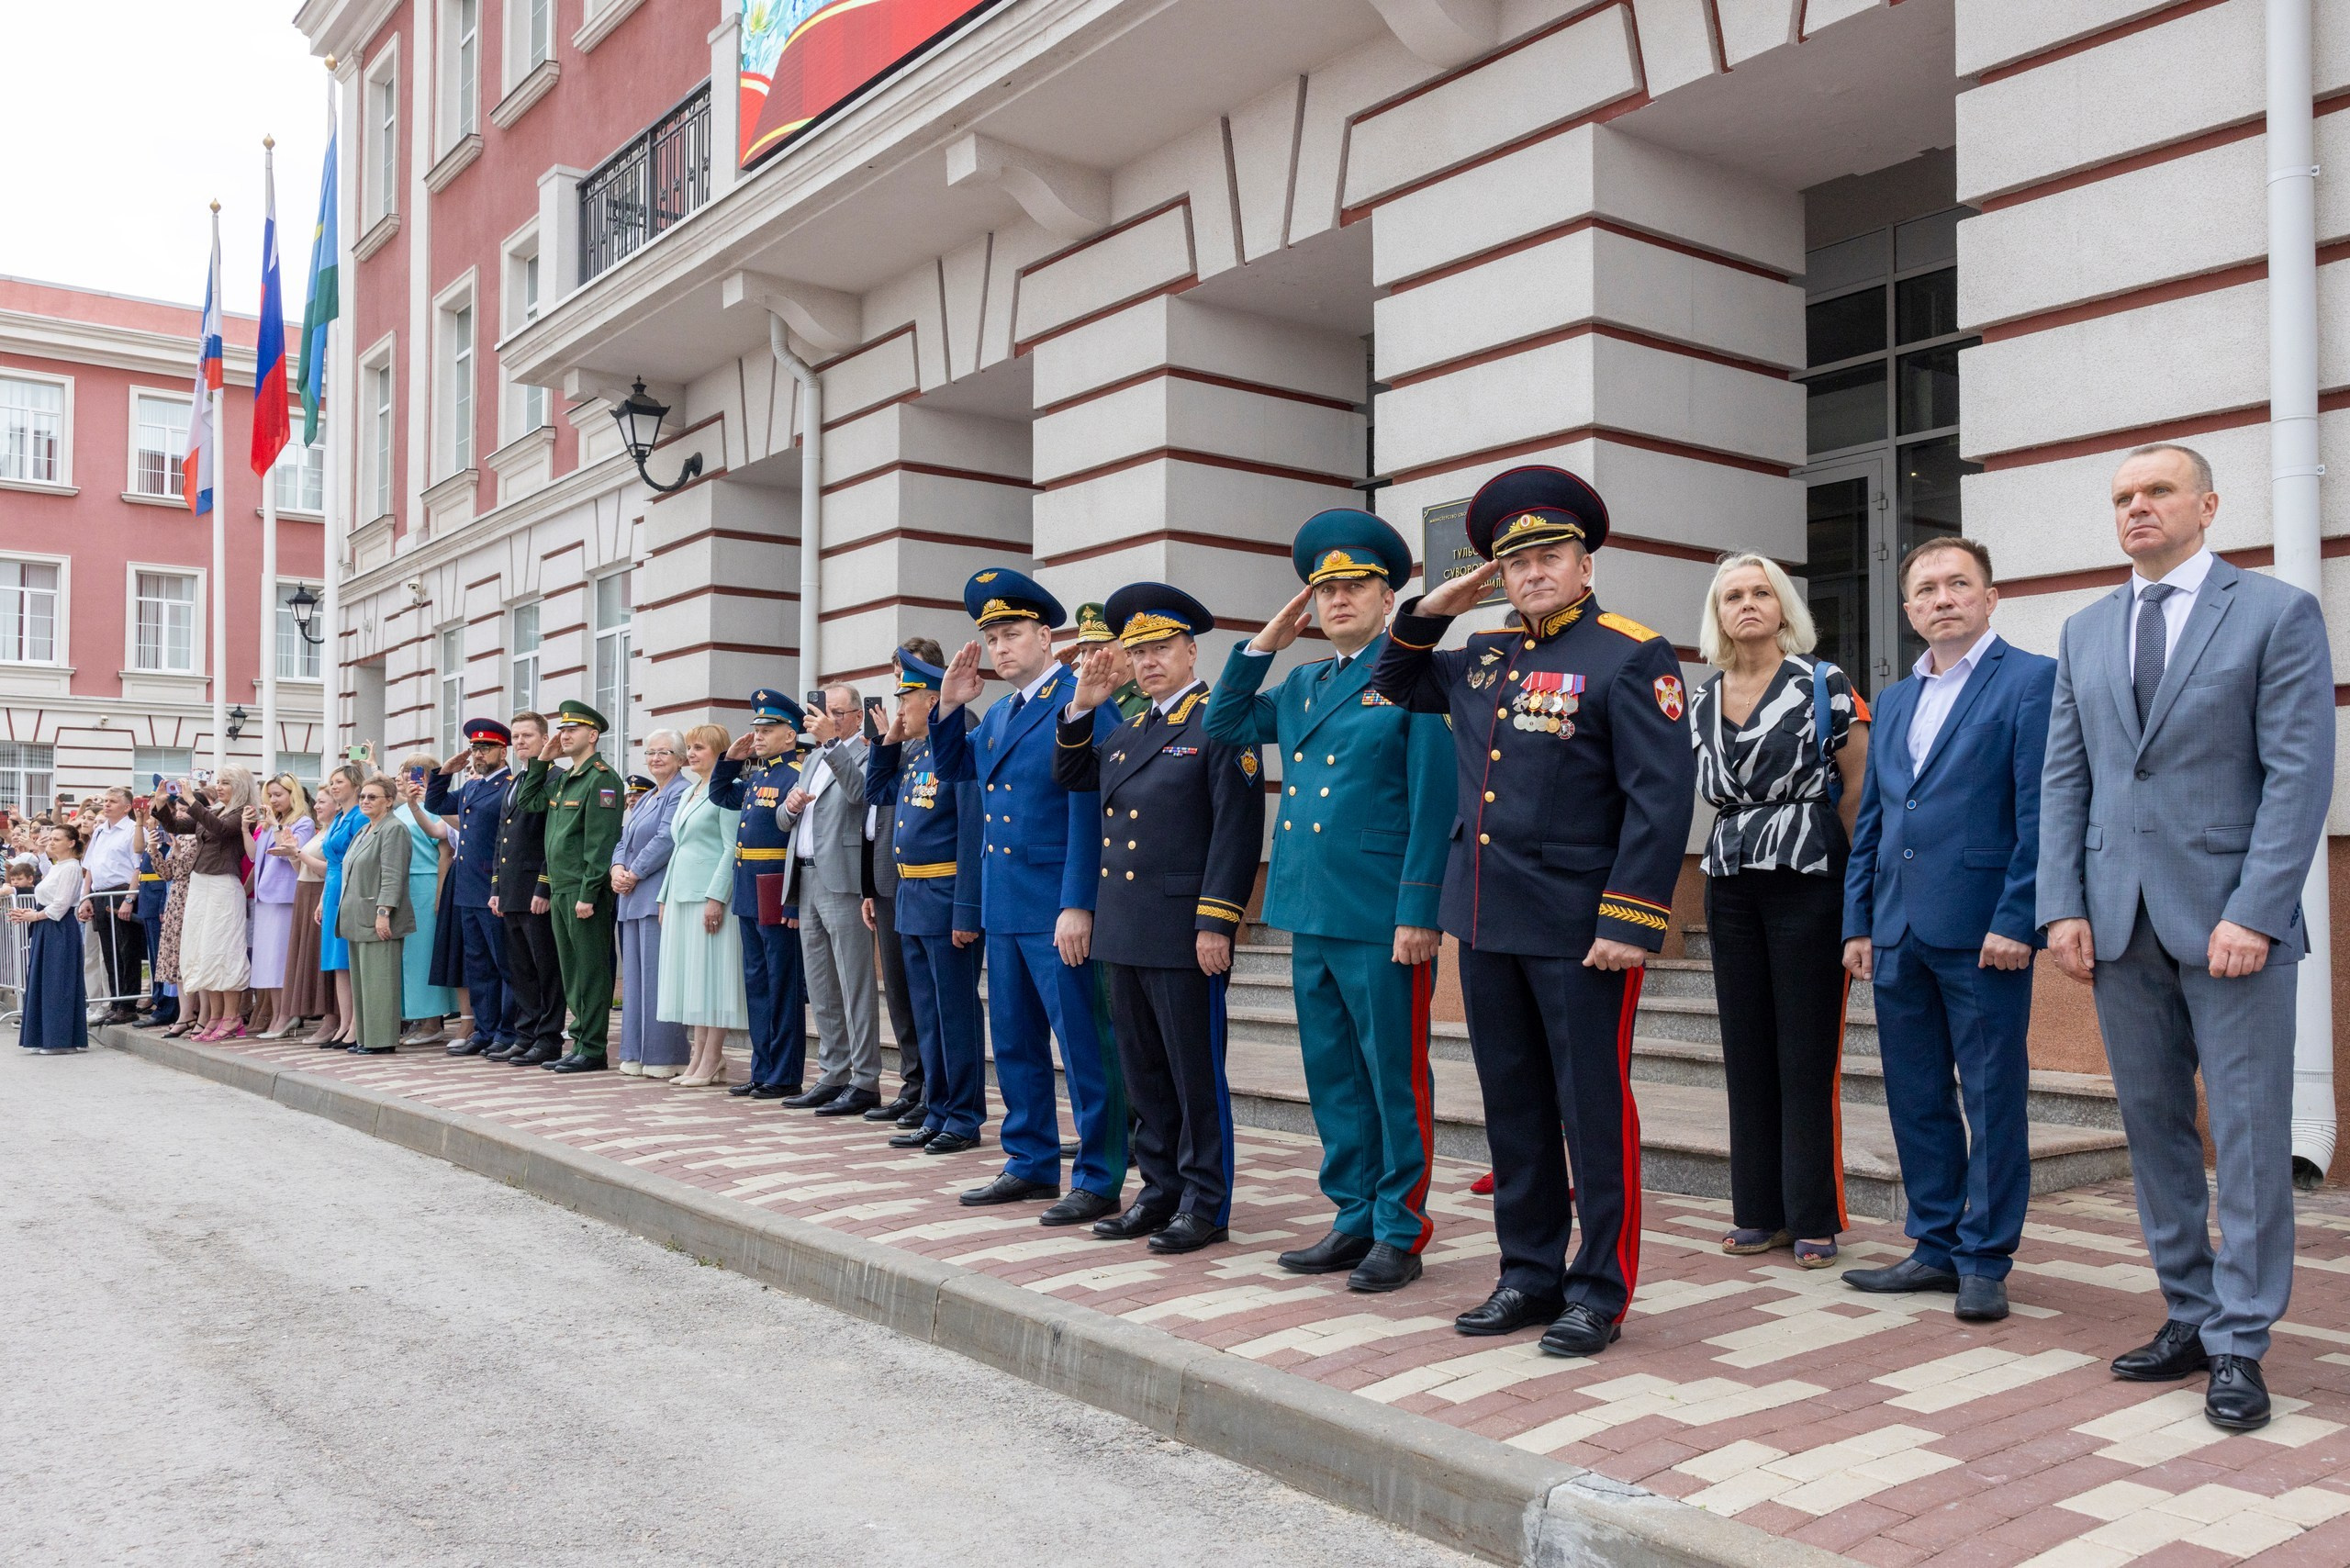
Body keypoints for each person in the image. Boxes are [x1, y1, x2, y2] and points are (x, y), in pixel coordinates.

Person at [2038, 444, 2335, 1433]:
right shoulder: (2085, 629)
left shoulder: (2275, 613)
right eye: (2123, 496)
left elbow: (2298, 774)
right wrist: (2062, 904)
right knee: (2153, 1126)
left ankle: (2242, 1340)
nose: (2137, 507)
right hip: (2117, 922)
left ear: (2207, 505)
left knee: (2247, 1134)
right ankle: (2190, 1313)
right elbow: (2066, 778)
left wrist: (2255, 910)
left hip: (2230, 924)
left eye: (2157, 491)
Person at [1371, 465, 1695, 1357]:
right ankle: (1527, 1273)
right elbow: (1394, 677)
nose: (1533, 573)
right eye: (1516, 563)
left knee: (1591, 1113)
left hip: (1580, 930)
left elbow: (1660, 798)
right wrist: (1434, 605)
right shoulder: (1481, 653)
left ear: (1585, 566)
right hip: (1487, 919)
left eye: (1550, 556)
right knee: (1512, 1109)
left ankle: (1599, 1290)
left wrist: (1628, 920)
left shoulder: (1630, 654)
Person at [1207, 510, 1455, 1291]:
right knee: (1333, 1075)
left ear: (1388, 597)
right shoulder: (1303, 682)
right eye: (1325, 590)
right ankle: (1353, 1214)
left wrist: (1419, 908)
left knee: (1393, 1075)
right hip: (1308, 904)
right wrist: (1262, 647)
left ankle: (1400, 1227)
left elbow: (1435, 799)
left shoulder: (1411, 674)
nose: (1338, 599)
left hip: (1380, 911)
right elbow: (1222, 724)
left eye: (1355, 586)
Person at [1840, 538, 2053, 1323]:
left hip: (1983, 931)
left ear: (1990, 598)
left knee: (1993, 1097)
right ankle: (1933, 1245)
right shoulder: (1894, 699)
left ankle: (1984, 1258)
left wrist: (2019, 918)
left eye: (1958, 584)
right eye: (1926, 589)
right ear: (1908, 610)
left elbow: (2041, 813)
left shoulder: (2031, 680)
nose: (1942, 598)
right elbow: (1874, 819)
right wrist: (1859, 921)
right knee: (1916, 1094)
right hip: (1898, 929)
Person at [1056, 584, 1265, 1253]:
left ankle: (1205, 1202)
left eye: (1162, 649)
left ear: (1191, 651)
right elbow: (1072, 776)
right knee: (1143, 1073)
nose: (1149, 662)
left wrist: (1217, 922)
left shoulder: (1220, 723)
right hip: (1125, 926)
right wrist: (1082, 706)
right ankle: (1159, 1190)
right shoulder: (1127, 732)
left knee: (1192, 1073)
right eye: (1139, 652)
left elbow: (1236, 830)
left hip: (1182, 930)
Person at [931, 569, 1128, 1225]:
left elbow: (1093, 806)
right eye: (991, 638)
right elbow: (957, 770)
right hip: (1007, 902)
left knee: (1084, 1045)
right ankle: (1030, 1160)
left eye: (1012, 634)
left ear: (1046, 637)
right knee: (1015, 1042)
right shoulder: (1000, 713)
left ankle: (1098, 1174)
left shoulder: (1083, 698)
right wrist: (949, 706)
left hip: (1056, 903)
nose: (1000, 648)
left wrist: (1080, 902)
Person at [1691, 554, 1871, 1271]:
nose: (1747, 604)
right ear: (1718, 613)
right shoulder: (1701, 697)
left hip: (1810, 871)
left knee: (1806, 1052)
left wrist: (1862, 897)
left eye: (1761, 592)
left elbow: (1857, 789)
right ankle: (1758, 1211)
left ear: (1782, 607)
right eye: (1733, 595)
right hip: (1730, 877)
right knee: (1745, 1050)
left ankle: (1813, 1215)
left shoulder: (1824, 683)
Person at [867, 645, 986, 1154]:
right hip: (912, 896)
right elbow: (878, 792)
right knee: (927, 1015)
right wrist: (889, 742)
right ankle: (937, 1110)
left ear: (933, 700)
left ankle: (963, 1117)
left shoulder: (959, 751)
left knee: (954, 1014)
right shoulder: (917, 754)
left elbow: (971, 834)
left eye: (905, 699)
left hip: (945, 895)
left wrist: (967, 909)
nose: (899, 710)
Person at [776, 683, 881, 1114]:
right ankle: (833, 1072)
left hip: (843, 878)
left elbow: (860, 794)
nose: (830, 719)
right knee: (820, 984)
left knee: (854, 983)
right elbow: (784, 821)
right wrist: (790, 805)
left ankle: (865, 1079)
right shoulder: (814, 758)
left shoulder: (865, 752)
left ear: (858, 716)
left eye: (839, 713)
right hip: (806, 877)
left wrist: (834, 744)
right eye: (826, 711)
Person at [513, 700, 627, 1073]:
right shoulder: (564, 779)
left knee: (590, 970)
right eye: (561, 729)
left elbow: (601, 843)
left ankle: (592, 1048)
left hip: (582, 889)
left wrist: (589, 893)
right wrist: (541, 762)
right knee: (571, 971)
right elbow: (529, 802)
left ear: (592, 735)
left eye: (572, 730)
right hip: (561, 886)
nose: (564, 735)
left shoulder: (602, 779)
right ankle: (579, 1040)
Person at [711, 691, 811, 1101]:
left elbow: (798, 842)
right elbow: (721, 795)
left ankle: (784, 1074)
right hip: (749, 887)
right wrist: (730, 761)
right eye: (757, 729)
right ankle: (762, 1068)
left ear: (790, 735)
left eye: (768, 730)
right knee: (757, 982)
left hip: (775, 887)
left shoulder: (797, 774)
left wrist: (793, 897)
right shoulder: (758, 776)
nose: (759, 736)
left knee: (781, 983)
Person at [658, 723, 750, 1087]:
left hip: (709, 898)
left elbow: (731, 848)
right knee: (694, 980)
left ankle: (712, 1056)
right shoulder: (690, 790)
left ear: (720, 753)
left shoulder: (728, 790)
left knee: (713, 978)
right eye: (690, 747)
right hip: (682, 894)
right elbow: (678, 847)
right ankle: (698, 1055)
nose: (691, 753)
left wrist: (716, 897)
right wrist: (663, 896)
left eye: (700, 747)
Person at [427, 719, 517, 1058]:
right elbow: (436, 805)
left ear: (502, 752)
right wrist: (444, 772)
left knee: (503, 964)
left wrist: (500, 886)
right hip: (467, 888)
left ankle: (507, 1032)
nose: (478, 754)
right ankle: (485, 1030)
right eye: (475, 748)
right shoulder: (473, 787)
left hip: (493, 887)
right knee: (477, 965)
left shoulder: (509, 786)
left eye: (485, 748)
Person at [151, 767, 257, 1042]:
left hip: (223, 885)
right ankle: (215, 1017)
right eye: (218, 782)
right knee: (203, 951)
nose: (219, 786)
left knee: (224, 951)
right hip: (200, 884)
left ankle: (232, 1017)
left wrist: (192, 801)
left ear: (241, 786)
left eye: (226, 782)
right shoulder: (217, 809)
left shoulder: (243, 812)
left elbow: (220, 830)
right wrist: (161, 804)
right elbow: (176, 826)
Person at [487, 712, 564, 1066]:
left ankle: (548, 1039)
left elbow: (553, 839)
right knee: (520, 970)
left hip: (536, 889)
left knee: (545, 968)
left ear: (545, 739)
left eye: (527, 736)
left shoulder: (556, 778)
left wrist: (544, 887)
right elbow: (502, 838)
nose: (519, 741)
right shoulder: (516, 779)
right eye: (515, 736)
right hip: (512, 890)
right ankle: (526, 1033)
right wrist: (497, 887)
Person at [612, 730, 689, 1079]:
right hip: (631, 896)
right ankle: (635, 1053)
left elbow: (666, 838)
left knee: (657, 979)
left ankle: (664, 1055)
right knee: (634, 982)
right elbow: (623, 839)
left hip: (654, 893)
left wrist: (634, 873)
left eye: (664, 752)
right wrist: (616, 869)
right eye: (650, 752)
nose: (655, 758)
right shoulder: (646, 797)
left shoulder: (680, 791)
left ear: (680, 758)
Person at [337, 775, 414, 1056]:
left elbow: (393, 875)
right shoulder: (365, 829)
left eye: (372, 797)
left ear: (389, 801)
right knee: (363, 982)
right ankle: (366, 1038)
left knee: (380, 980)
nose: (365, 801)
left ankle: (381, 1040)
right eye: (362, 797)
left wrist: (384, 912)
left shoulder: (394, 829)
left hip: (377, 915)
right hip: (357, 915)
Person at [388, 756, 459, 1044]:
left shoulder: (436, 806)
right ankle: (415, 1016)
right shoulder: (402, 808)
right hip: (403, 883)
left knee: (423, 954)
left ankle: (432, 1021)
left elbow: (445, 852)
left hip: (426, 882)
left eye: (415, 772)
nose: (408, 776)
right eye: (405, 771)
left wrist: (440, 894)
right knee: (407, 955)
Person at [304, 763, 368, 1047]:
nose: (334, 786)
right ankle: (344, 1024)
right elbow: (331, 862)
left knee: (349, 958)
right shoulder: (340, 817)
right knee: (337, 963)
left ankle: (356, 1026)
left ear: (355, 785)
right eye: (332, 782)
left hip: (350, 887)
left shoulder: (359, 817)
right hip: (332, 889)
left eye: (339, 781)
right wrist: (322, 900)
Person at [249, 774, 316, 1038]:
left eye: (278, 794)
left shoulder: (303, 822)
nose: (273, 800)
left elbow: (290, 854)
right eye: (270, 795)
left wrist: (276, 826)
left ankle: (286, 1015)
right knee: (268, 961)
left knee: (280, 960)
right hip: (265, 896)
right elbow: (255, 856)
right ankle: (278, 1014)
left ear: (292, 794)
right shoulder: (270, 822)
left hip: (285, 896)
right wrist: (250, 828)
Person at [14, 822, 89, 1054]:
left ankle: (60, 1039)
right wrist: (31, 913)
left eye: (57, 839)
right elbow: (47, 895)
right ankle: (43, 1036)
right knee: (44, 981)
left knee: (58, 981)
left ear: (71, 843)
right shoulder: (59, 866)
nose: (52, 842)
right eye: (51, 838)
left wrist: (35, 916)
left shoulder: (72, 867)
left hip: (59, 928)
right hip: (46, 926)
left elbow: (62, 904)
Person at [79, 788, 142, 1025]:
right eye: (105, 801)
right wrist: (86, 897)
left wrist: (129, 898)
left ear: (126, 807)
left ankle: (128, 1004)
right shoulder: (99, 832)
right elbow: (90, 867)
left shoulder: (133, 830)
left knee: (127, 950)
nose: (106, 805)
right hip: (101, 893)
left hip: (121, 891)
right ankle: (115, 1002)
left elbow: (138, 866)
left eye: (113, 801)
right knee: (109, 953)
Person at [275, 793, 334, 1039]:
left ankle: (331, 1020)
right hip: (304, 889)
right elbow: (302, 868)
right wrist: (293, 853)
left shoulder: (334, 832)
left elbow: (329, 870)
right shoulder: (322, 831)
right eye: (316, 801)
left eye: (322, 802)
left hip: (318, 892)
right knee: (306, 956)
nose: (316, 806)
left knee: (319, 956)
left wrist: (298, 851)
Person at [151, 808, 199, 1037]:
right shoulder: (179, 837)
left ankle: (193, 1013)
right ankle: (185, 1013)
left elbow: (184, 868)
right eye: (177, 810)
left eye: (183, 810)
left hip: (191, 895)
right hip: (175, 897)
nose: (178, 814)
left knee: (189, 955)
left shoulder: (197, 837)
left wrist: (177, 850)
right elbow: (167, 873)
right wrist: (154, 850)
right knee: (176, 957)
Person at [131, 801, 176, 1028]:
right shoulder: (155, 829)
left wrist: (162, 904)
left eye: (154, 806)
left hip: (159, 894)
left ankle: (166, 1006)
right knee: (154, 956)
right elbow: (141, 852)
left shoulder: (169, 830)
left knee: (162, 957)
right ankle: (160, 1002)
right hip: (149, 894)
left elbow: (168, 871)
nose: (149, 810)